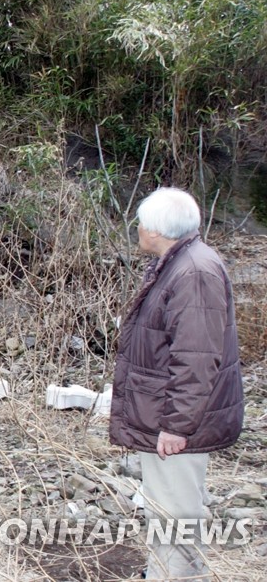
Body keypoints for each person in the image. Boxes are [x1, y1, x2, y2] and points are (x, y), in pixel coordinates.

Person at [109, 187, 244, 581]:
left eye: (140, 223)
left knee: (175, 511)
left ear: (155, 229)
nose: (137, 229)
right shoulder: (181, 262)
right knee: (169, 506)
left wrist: (176, 425)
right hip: (166, 411)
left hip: (178, 419)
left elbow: (197, 357)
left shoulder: (194, 272)